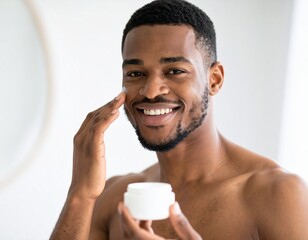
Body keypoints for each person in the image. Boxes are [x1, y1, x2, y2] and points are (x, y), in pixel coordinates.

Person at [50, 0, 308, 239]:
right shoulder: (113, 196)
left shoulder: (278, 195)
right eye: (136, 73)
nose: (150, 91)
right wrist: (80, 194)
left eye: (174, 71)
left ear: (214, 79)